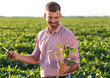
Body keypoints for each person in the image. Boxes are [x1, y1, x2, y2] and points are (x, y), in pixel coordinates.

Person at [6, 1, 80, 78]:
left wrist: (66, 70)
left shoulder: (68, 35)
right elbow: (35, 58)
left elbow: (75, 62)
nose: (53, 21)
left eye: (56, 17)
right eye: (50, 17)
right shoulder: (41, 35)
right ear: (45, 16)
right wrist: (18, 56)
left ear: (60, 16)